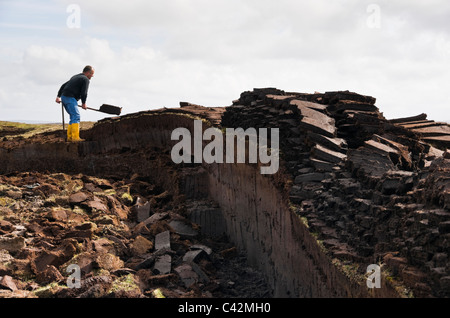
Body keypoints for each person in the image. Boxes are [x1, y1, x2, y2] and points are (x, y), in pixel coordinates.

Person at [55, 65, 95, 142]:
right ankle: (75, 137)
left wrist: (58, 96)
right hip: (70, 98)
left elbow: (63, 86)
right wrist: (83, 103)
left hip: (64, 97)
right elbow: (84, 92)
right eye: (92, 74)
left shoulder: (75, 77)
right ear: (88, 73)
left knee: (72, 116)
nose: (92, 76)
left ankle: (70, 137)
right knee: (76, 116)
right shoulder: (85, 79)